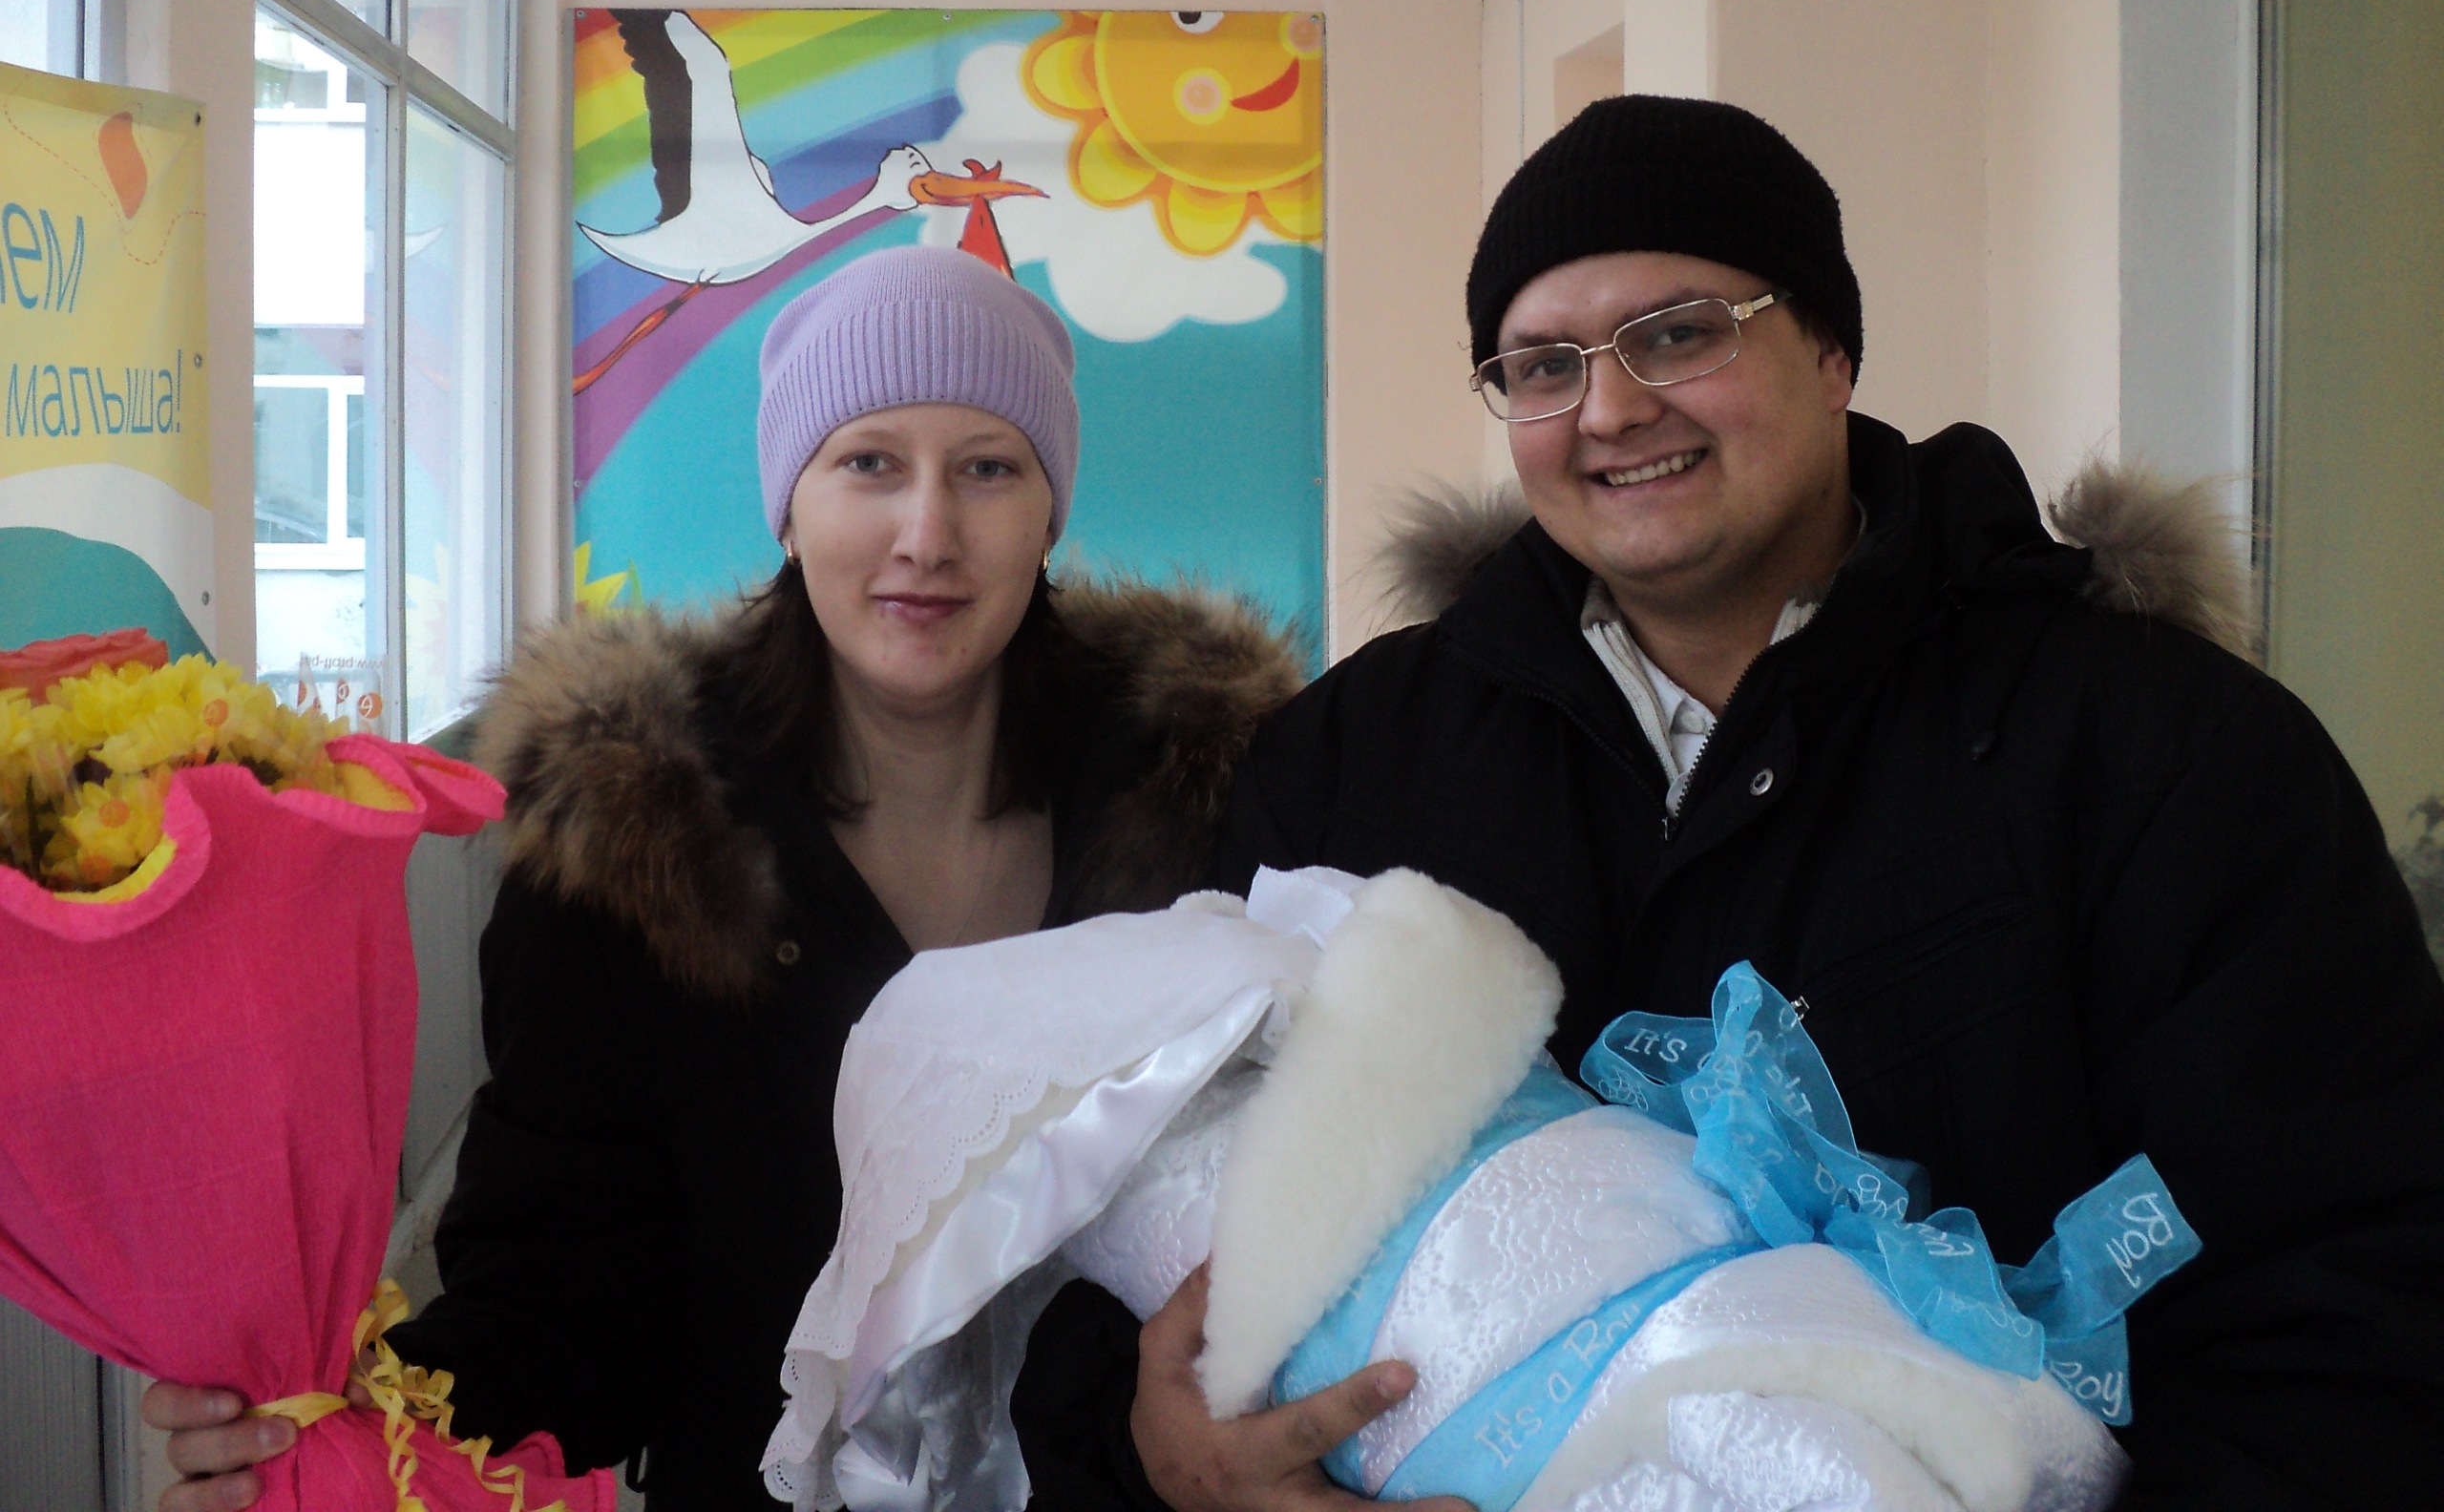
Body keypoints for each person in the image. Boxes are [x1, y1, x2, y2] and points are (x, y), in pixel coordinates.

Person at [1129, 94, 2444, 1511]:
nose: (1611, 410)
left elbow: (2354, 1301)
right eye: (1545, 365)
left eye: (1678, 334)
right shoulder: (1353, 762)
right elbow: (1158, 1184)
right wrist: (1174, 1455)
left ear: (1831, 354)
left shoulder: (2157, 750)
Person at [144, 244, 1303, 1512]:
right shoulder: (636, 849)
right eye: (869, 464)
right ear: (789, 506)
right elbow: (560, 1304)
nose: (927, 534)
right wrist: (336, 1437)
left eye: (988, 468)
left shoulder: (1212, 807)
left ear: (1049, 512)